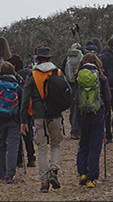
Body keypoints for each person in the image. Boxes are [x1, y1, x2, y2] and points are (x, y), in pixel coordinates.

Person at [20, 46, 69, 193]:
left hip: (39, 116)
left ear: (37, 60)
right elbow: (66, 92)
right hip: (55, 115)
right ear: (50, 58)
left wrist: (23, 120)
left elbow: (25, 99)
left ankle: (43, 182)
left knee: (41, 149)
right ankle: (54, 171)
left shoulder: (32, 75)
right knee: (55, 145)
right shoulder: (58, 72)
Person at [74, 53, 111, 188]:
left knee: (83, 143)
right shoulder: (101, 78)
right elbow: (107, 98)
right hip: (97, 114)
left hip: (82, 114)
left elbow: (75, 97)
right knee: (95, 145)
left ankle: (82, 173)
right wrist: (106, 111)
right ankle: (91, 178)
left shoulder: (78, 77)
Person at [0, 62, 23, 184]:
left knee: (1, 145)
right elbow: (23, 106)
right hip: (14, 120)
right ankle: (10, 176)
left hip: (0, 120)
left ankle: (1, 173)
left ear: (1, 72)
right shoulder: (17, 87)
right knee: (13, 147)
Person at [7, 54, 36, 168]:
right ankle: (31, 158)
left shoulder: (14, 76)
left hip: (16, 107)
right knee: (27, 134)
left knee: (17, 134)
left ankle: (19, 159)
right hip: (28, 106)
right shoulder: (28, 73)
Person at [60, 43, 83, 140]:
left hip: (69, 85)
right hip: (80, 85)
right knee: (80, 107)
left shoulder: (66, 59)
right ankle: (78, 131)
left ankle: (73, 130)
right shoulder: (82, 57)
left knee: (72, 108)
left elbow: (61, 72)